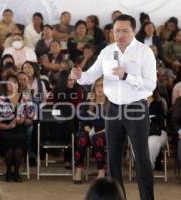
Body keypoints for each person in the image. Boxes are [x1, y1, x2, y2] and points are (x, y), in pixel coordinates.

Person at [71, 14, 156, 200]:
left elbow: (151, 85)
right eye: (116, 31)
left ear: (133, 31)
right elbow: (90, 75)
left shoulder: (144, 52)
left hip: (136, 109)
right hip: (113, 108)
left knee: (141, 159)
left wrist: (127, 76)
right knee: (113, 161)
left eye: (124, 31)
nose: (120, 35)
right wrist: (79, 75)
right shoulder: (107, 51)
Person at [0, 74, 35, 182]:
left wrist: (23, 120)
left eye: (14, 83)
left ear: (17, 85)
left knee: (20, 140)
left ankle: (16, 172)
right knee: (9, 141)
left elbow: (32, 119)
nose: (12, 85)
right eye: (9, 83)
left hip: (20, 128)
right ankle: (8, 171)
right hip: (4, 129)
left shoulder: (25, 98)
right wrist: (8, 126)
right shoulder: (1, 99)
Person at [74, 78, 106, 183]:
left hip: (107, 133)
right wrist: (89, 130)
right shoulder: (88, 103)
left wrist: (101, 131)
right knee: (82, 138)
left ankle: (102, 170)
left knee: (97, 138)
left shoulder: (112, 104)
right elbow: (84, 122)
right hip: (91, 131)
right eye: (97, 86)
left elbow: (114, 122)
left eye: (102, 85)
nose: (99, 88)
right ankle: (79, 169)